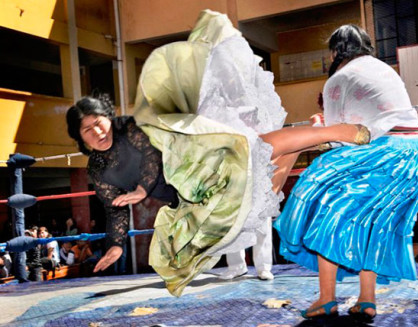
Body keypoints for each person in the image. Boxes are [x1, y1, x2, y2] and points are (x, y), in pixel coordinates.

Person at [66, 11, 366, 296]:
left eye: (98, 123)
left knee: (257, 177)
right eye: (87, 130)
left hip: (199, 166)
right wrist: (116, 244)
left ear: (108, 117)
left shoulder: (132, 127)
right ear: (80, 138)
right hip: (186, 193)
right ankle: (314, 138)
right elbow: (114, 207)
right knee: (235, 212)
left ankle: (321, 136)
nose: (97, 132)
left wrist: (144, 186)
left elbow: (150, 154)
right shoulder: (98, 168)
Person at [274, 24, 418, 323]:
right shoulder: (384, 68)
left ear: (335, 51)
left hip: (385, 153)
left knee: (324, 207)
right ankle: (366, 301)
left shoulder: (339, 79)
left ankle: (326, 299)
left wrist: (316, 127)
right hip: (417, 157)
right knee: (372, 223)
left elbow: (339, 139)